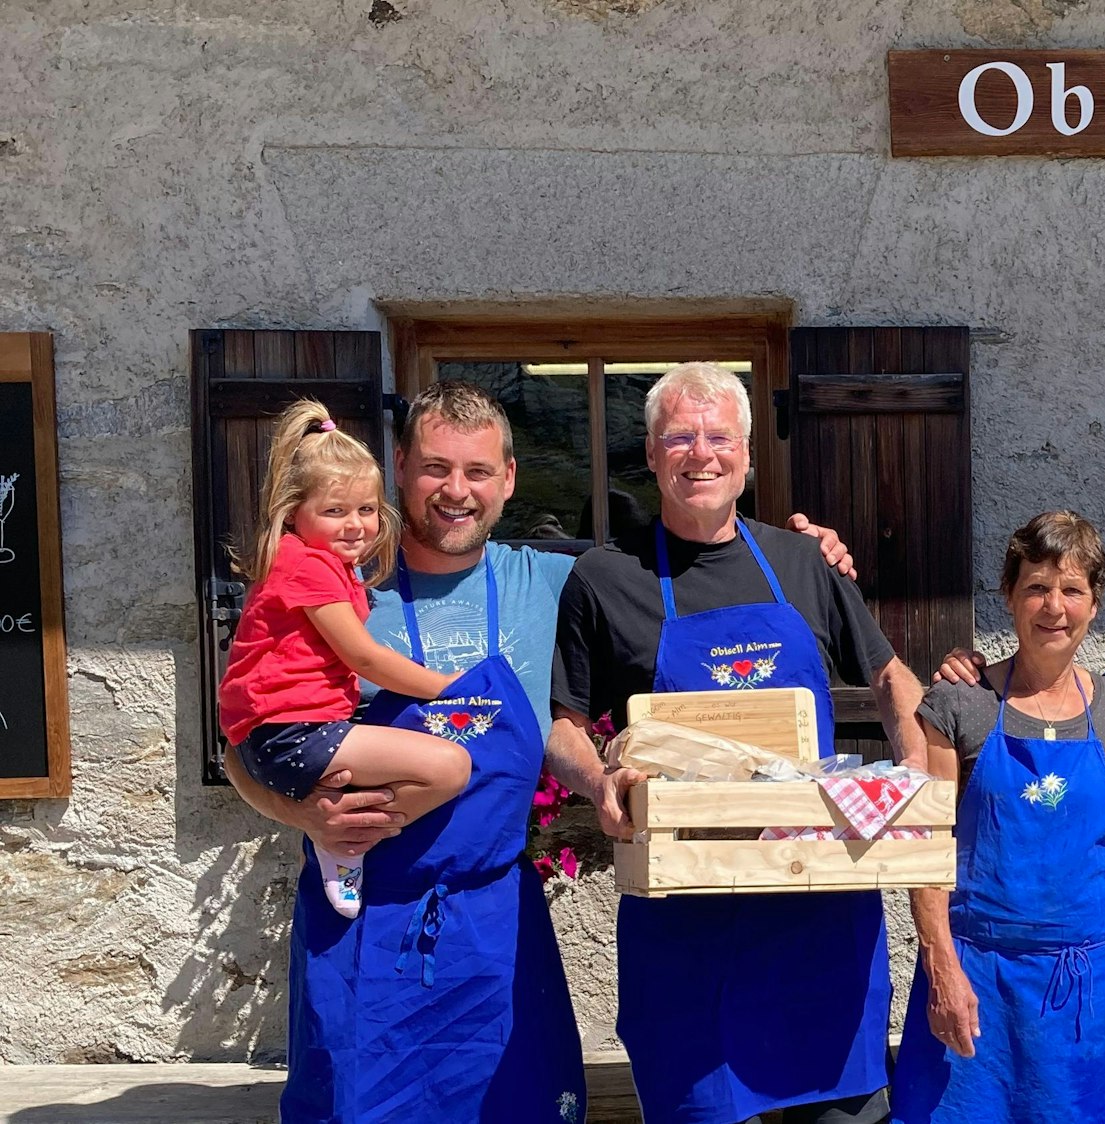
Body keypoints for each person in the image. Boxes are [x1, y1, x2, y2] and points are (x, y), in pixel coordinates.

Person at [223, 380, 855, 1122]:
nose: (456, 491)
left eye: (478, 471)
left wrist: (804, 553)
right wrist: (300, 816)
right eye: (435, 468)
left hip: (496, 914)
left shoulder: (556, 580)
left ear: (508, 480)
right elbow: (247, 742)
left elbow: (690, 569)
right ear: (400, 468)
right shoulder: (332, 586)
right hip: (362, 919)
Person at [553, 361, 928, 1124]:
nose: (702, 454)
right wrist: (598, 783)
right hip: (687, 936)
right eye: (680, 437)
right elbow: (561, 723)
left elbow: (893, 681)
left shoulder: (802, 564)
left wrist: (914, 771)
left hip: (819, 923)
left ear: (749, 455)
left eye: (719, 436)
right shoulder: (603, 577)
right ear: (652, 454)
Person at [890, 511, 1105, 1124]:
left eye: (1072, 589)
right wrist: (942, 967)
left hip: (1090, 986)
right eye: (1036, 586)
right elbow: (926, 846)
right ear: (1008, 596)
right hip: (978, 975)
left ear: (1095, 604)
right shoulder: (961, 702)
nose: (1053, 606)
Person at [216, 399, 471, 918]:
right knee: (449, 767)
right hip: (294, 734)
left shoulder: (317, 565)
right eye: (335, 511)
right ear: (293, 514)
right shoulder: (306, 566)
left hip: (283, 734)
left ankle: (342, 839)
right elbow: (364, 658)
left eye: (367, 509)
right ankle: (350, 842)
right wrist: (448, 687)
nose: (355, 525)